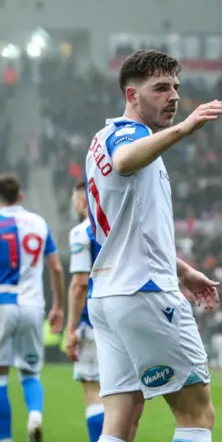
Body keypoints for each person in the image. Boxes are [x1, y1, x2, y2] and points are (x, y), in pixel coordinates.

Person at [84, 49, 222, 442]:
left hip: (108, 296)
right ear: (131, 96)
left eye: (176, 87)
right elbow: (126, 160)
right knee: (196, 413)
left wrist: (182, 271)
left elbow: (127, 229)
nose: (174, 97)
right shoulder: (131, 136)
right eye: (161, 88)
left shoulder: (99, 139)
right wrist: (184, 129)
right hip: (144, 293)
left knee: (121, 421)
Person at [0, 174, 64, 442]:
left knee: (1, 376)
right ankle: (35, 415)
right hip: (33, 306)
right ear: (21, 195)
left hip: (2, 304)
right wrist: (58, 305)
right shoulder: (38, 223)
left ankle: (4, 437)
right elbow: (56, 267)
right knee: (30, 371)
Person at [65, 181, 104, 442]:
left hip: (94, 321)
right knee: (122, 395)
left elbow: (79, 284)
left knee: (93, 391)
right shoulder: (118, 228)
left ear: (82, 201)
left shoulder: (82, 232)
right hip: (124, 316)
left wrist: (70, 330)